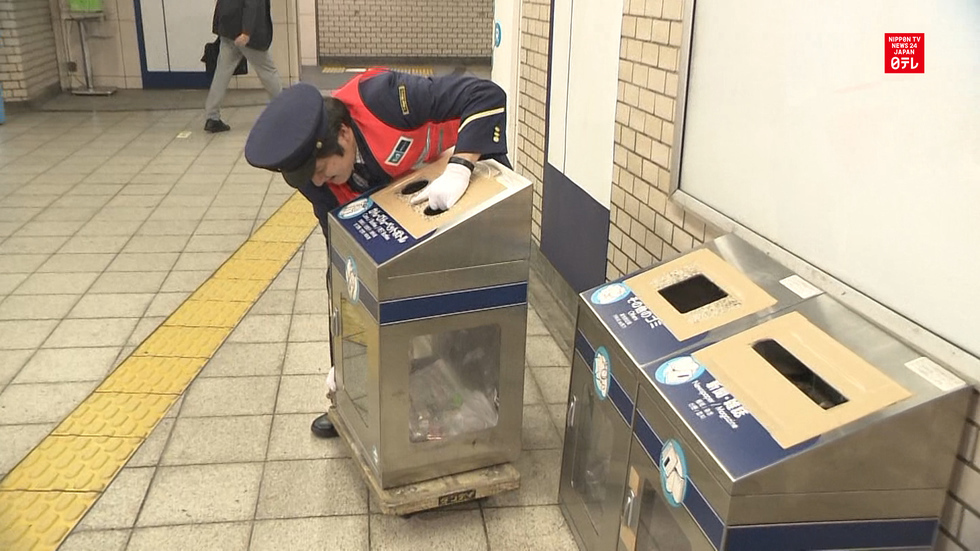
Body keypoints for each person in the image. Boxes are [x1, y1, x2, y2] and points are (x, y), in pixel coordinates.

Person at [244, 68, 510, 438]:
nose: (319, 182)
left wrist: (460, 168)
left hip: (460, 178)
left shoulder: (385, 99)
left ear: (343, 134)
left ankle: (480, 398)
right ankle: (360, 400)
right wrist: (342, 363)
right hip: (404, 203)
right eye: (312, 177)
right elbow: (340, 261)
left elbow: (486, 95)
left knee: (464, 292)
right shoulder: (312, 177)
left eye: (322, 170)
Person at [205, 0, 283, 133]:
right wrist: (246, 32)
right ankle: (284, 112)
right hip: (245, 34)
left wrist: (220, 27)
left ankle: (212, 117)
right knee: (268, 71)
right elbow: (252, 4)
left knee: (222, 73)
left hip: (228, 31)